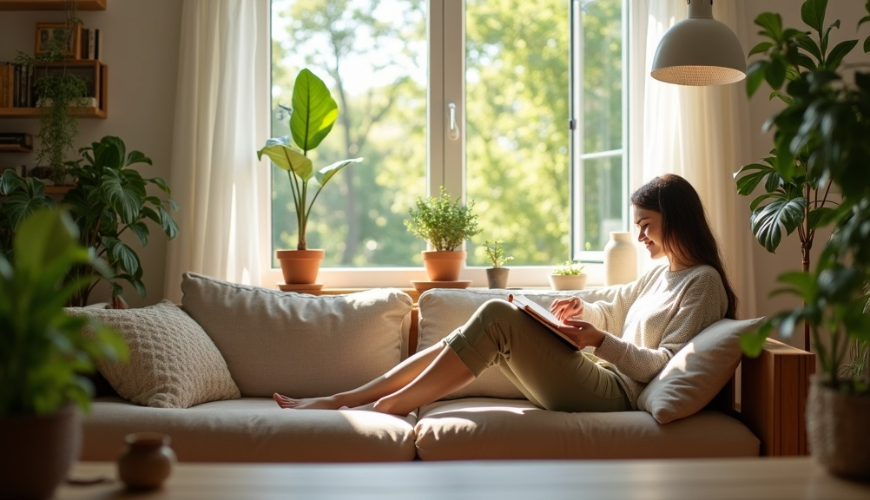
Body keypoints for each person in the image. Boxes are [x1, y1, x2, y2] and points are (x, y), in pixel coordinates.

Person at [273, 174, 738, 415]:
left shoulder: (702, 283)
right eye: (638, 226)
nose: (640, 237)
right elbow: (615, 306)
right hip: (600, 373)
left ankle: (386, 406)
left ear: (675, 221)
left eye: (645, 226)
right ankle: (348, 399)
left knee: (497, 315)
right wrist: (583, 310)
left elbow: (665, 364)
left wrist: (597, 341)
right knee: (469, 333)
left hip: (618, 394)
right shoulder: (662, 274)